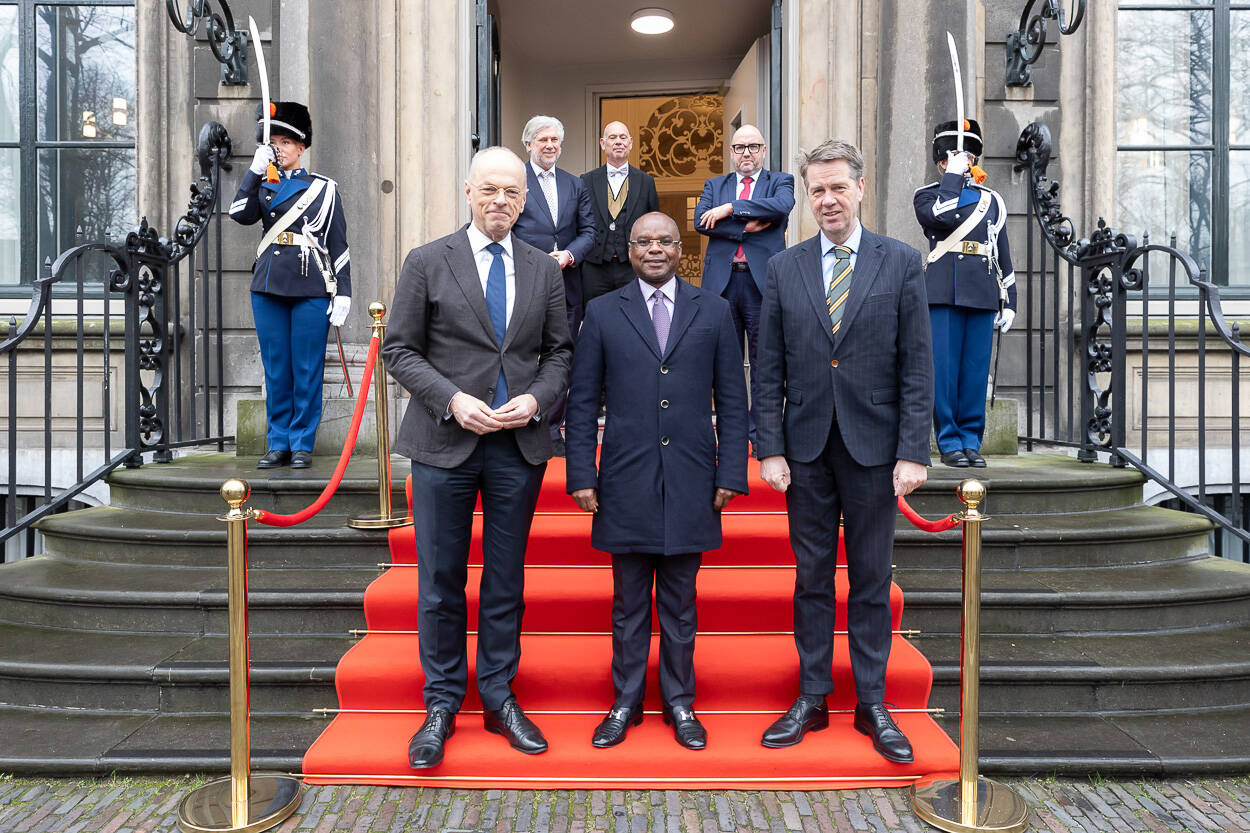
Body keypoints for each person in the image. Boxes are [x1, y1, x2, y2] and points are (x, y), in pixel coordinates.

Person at [381, 146, 574, 769]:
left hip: (516, 446)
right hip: (445, 442)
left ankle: (498, 695)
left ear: (525, 199)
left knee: (505, 578)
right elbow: (400, 350)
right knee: (439, 581)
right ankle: (440, 702)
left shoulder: (544, 270)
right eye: (489, 190)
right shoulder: (427, 260)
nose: (501, 201)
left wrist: (537, 401)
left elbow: (559, 355)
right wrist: (452, 400)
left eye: (512, 193)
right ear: (468, 192)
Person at [753, 139, 933, 764]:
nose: (827, 200)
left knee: (871, 579)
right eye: (817, 190)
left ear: (860, 189)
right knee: (810, 579)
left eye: (837, 188)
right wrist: (768, 446)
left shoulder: (902, 262)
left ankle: (873, 702)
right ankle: (811, 695)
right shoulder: (784, 267)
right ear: (807, 196)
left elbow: (917, 365)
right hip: (804, 450)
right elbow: (768, 365)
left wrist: (914, 451)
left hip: (876, 451)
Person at [565, 212, 749, 751]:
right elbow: (582, 402)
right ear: (628, 250)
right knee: (627, 605)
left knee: (681, 604)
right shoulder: (601, 313)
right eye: (643, 241)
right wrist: (581, 472)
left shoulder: (714, 311)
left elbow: (733, 403)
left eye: (665, 241)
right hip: (624, 479)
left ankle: (679, 702)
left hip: (693, 478)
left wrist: (731, 471)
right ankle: (625, 701)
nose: (654, 249)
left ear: (680, 249)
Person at [230, 101, 352, 469]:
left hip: (310, 283)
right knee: (276, 366)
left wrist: (343, 291)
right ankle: (277, 441)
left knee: (307, 367)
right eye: (273, 142)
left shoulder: (324, 189)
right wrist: (252, 173)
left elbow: (338, 244)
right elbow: (239, 215)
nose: (278, 149)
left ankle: (301, 443)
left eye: (285, 142)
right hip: (268, 284)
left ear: (301, 147)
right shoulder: (263, 186)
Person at [913, 119, 1017, 468]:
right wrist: (953, 180)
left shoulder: (993, 201)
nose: (967, 161)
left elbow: (1002, 251)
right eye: (958, 156)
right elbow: (939, 218)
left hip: (983, 291)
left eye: (970, 155)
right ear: (942, 161)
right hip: (942, 290)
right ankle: (949, 442)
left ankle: (972, 440)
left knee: (974, 372)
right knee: (943, 371)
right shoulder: (929, 194)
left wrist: (1010, 300)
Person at [694, 124, 794, 439]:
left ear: (763, 150)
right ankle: (732, 430)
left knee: (765, 363)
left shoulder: (780, 181)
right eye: (739, 147)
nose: (746, 153)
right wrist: (744, 229)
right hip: (722, 285)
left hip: (762, 285)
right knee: (726, 363)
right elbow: (700, 220)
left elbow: (780, 207)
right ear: (732, 153)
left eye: (753, 146)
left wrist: (729, 209)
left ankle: (760, 432)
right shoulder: (714, 183)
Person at [511, 115, 596, 453]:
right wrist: (537, 260)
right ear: (528, 144)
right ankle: (523, 423)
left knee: (562, 355)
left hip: (568, 285)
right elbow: (507, 229)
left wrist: (569, 256)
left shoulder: (575, 184)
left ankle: (551, 429)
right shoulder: (515, 181)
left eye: (554, 140)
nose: (549, 146)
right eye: (542, 140)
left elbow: (590, 232)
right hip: (525, 282)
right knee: (526, 354)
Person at [580, 121, 660, 304]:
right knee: (595, 318)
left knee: (634, 317)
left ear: (630, 143)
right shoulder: (586, 180)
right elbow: (580, 222)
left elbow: (654, 224)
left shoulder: (646, 182)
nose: (618, 142)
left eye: (623, 137)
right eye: (612, 137)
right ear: (602, 143)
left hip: (632, 266)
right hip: (594, 267)